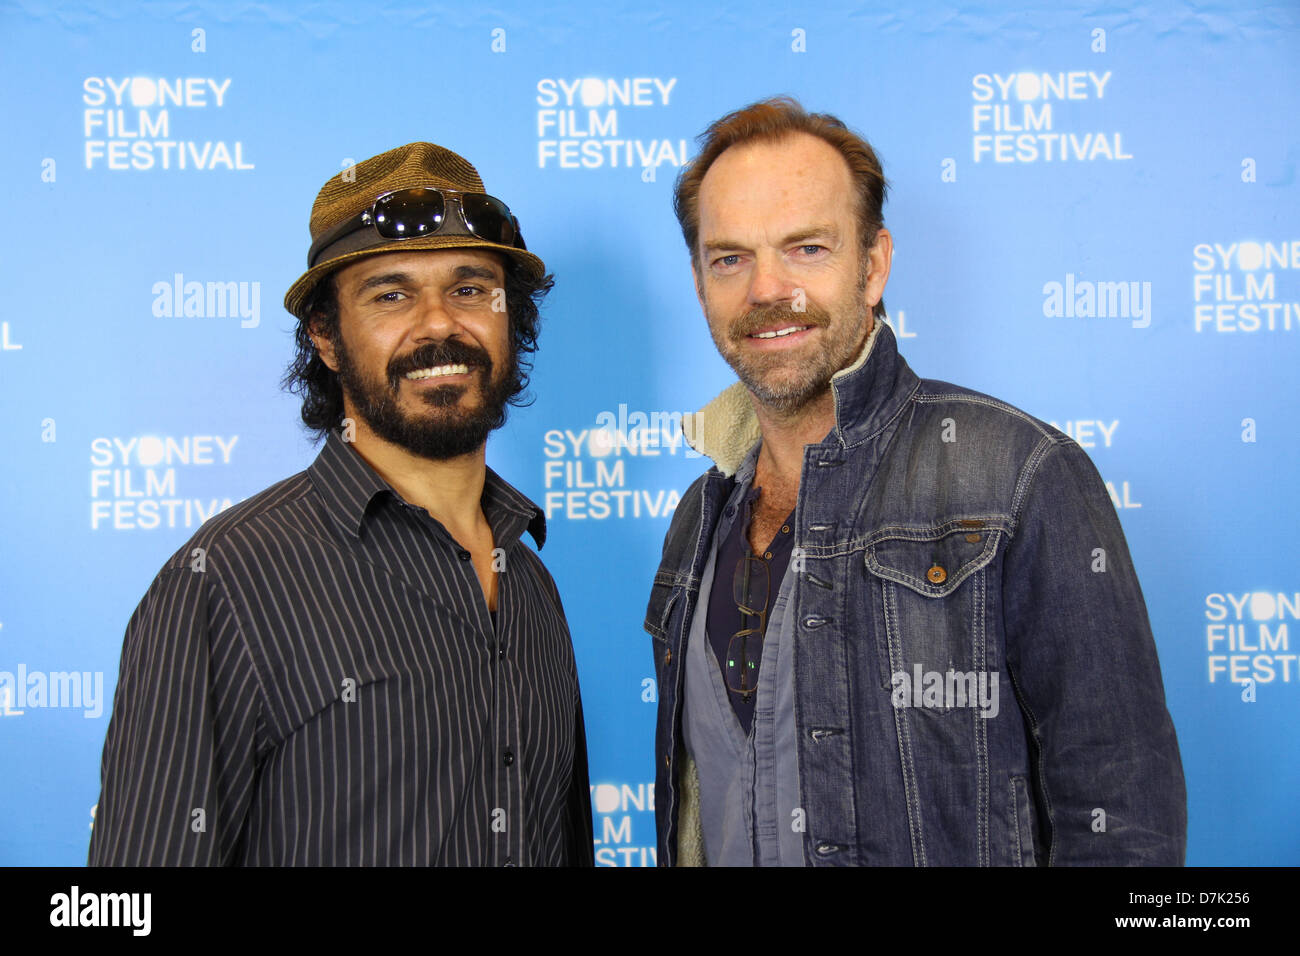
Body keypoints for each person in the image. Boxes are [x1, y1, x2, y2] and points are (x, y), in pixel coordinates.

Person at [645, 97, 1186, 866]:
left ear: (872, 265)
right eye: (730, 257)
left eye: (805, 248)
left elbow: (1123, 820)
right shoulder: (699, 517)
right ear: (701, 283)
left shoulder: (1019, 477)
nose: (767, 290)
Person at [90, 142, 593, 866]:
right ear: (324, 337)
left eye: (470, 287)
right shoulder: (227, 582)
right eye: (390, 294)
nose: (439, 325)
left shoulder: (529, 578)